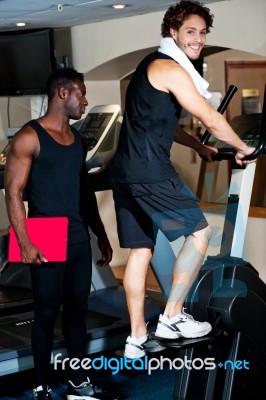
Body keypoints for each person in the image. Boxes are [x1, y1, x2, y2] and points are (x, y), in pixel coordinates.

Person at [108, 0, 256, 360]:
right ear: (172, 32)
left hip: (126, 176)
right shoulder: (169, 68)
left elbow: (166, 125)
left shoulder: (150, 66)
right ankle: (172, 316)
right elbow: (209, 116)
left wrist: (200, 148)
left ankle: (137, 338)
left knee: (140, 251)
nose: (198, 39)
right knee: (200, 232)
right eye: (190, 31)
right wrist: (242, 147)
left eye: (203, 32)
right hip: (151, 174)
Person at [4, 68, 117, 400]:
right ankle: (40, 386)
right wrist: (23, 242)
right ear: (62, 94)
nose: (85, 100)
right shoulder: (29, 136)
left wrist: (100, 233)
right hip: (43, 233)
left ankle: (78, 380)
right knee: (46, 313)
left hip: (77, 234)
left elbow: (84, 191)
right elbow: (13, 192)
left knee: (77, 312)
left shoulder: (78, 140)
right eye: (81, 93)